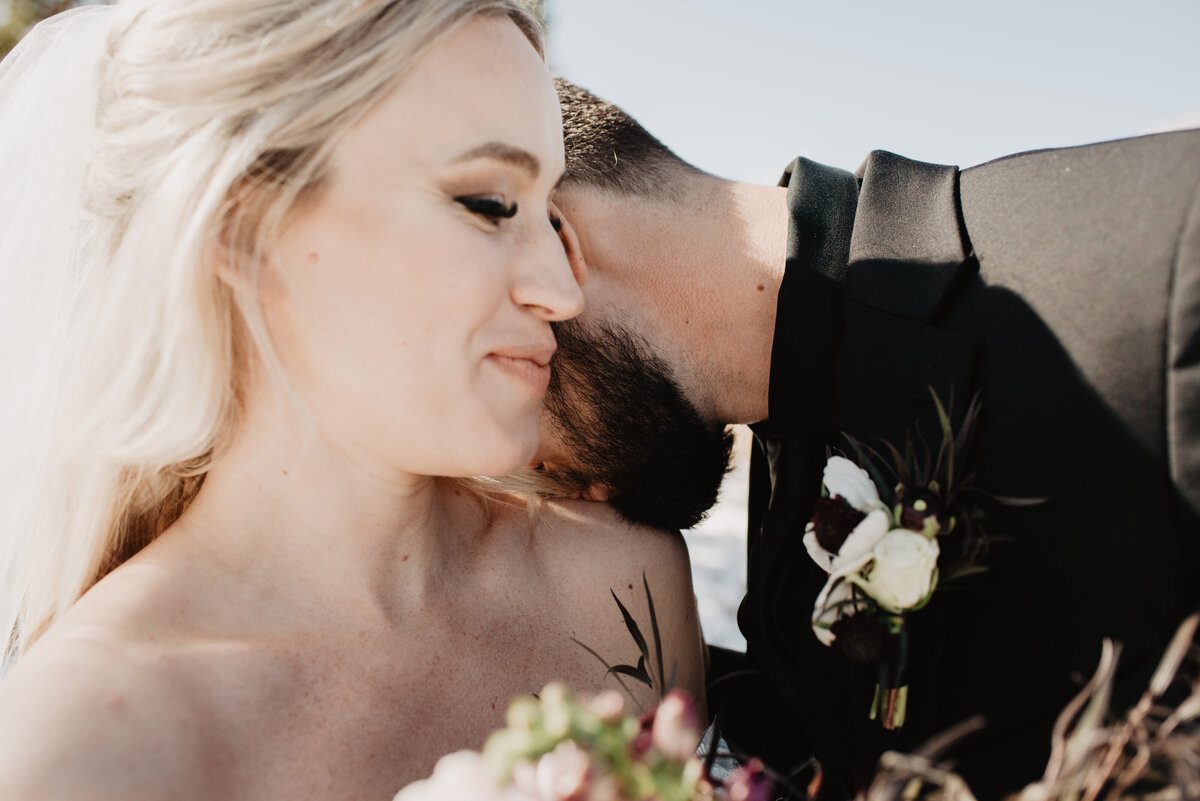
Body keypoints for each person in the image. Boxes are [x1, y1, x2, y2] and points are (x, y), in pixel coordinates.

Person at [0, 6, 707, 799]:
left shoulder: (625, 585)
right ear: (244, 227)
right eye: (488, 203)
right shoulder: (87, 748)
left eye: (552, 213)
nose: (563, 290)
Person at [535, 78, 1200, 799]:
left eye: (512, 401)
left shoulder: (1171, 252)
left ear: (552, 252)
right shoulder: (784, 485)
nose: (554, 483)